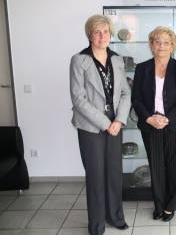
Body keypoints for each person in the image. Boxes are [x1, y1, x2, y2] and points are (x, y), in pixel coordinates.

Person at [70, 15, 131, 235]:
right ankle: (96, 224)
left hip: (116, 124)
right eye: (97, 32)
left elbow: (125, 92)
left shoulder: (117, 59)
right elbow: (78, 99)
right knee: (96, 176)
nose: (102, 36)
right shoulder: (79, 60)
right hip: (91, 127)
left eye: (105, 31)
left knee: (114, 173)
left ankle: (115, 216)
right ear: (90, 35)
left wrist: (120, 120)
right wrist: (107, 123)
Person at [132, 26, 176, 222]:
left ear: (172, 45)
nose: (161, 46)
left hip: (174, 125)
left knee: (173, 166)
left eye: (166, 42)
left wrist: (167, 119)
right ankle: (159, 205)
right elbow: (136, 98)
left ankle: (170, 205)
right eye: (157, 42)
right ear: (151, 45)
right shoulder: (142, 68)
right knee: (156, 166)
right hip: (150, 124)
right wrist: (149, 118)